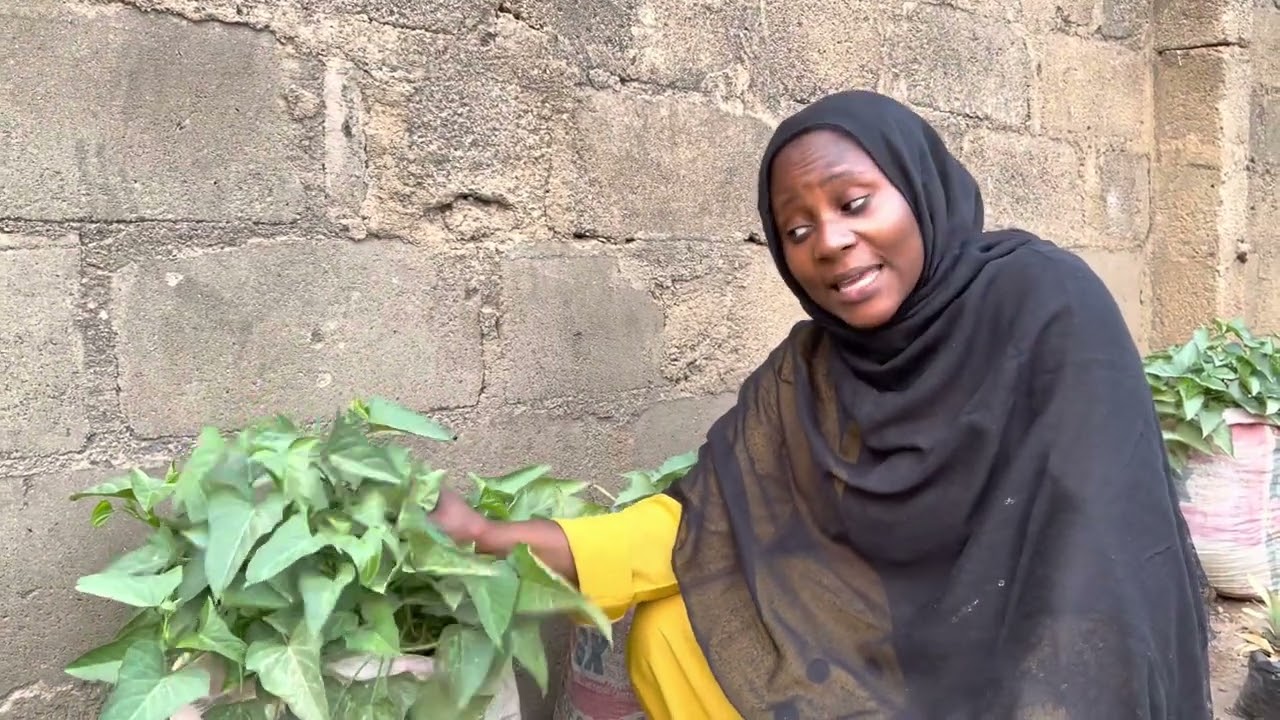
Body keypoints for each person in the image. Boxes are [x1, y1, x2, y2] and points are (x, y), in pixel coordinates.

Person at [429, 90, 1213, 719]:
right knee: (672, 633)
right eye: (797, 228)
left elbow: (1101, 555)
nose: (829, 242)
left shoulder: (1041, 303)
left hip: (1038, 646)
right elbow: (702, 522)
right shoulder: (814, 368)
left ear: (919, 192)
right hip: (882, 644)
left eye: (855, 202)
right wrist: (499, 537)